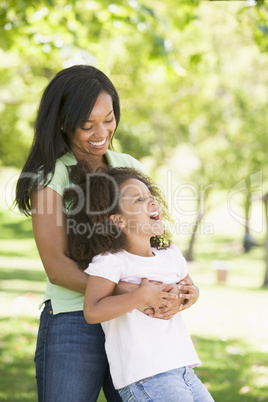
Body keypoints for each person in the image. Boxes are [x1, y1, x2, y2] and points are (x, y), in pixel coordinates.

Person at [15, 65, 199, 402]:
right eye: (87, 125)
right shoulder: (50, 176)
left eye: (109, 118)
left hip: (134, 325)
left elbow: (150, 241)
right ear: (62, 122)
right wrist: (134, 293)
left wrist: (178, 289)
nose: (102, 132)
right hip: (74, 319)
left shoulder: (128, 165)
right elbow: (56, 266)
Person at [64, 162, 214, 402]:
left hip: (183, 369)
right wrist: (140, 296)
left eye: (149, 196)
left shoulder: (171, 255)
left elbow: (189, 289)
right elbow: (92, 311)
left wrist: (191, 294)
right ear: (118, 221)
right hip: (148, 377)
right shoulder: (111, 262)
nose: (152, 202)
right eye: (138, 200)